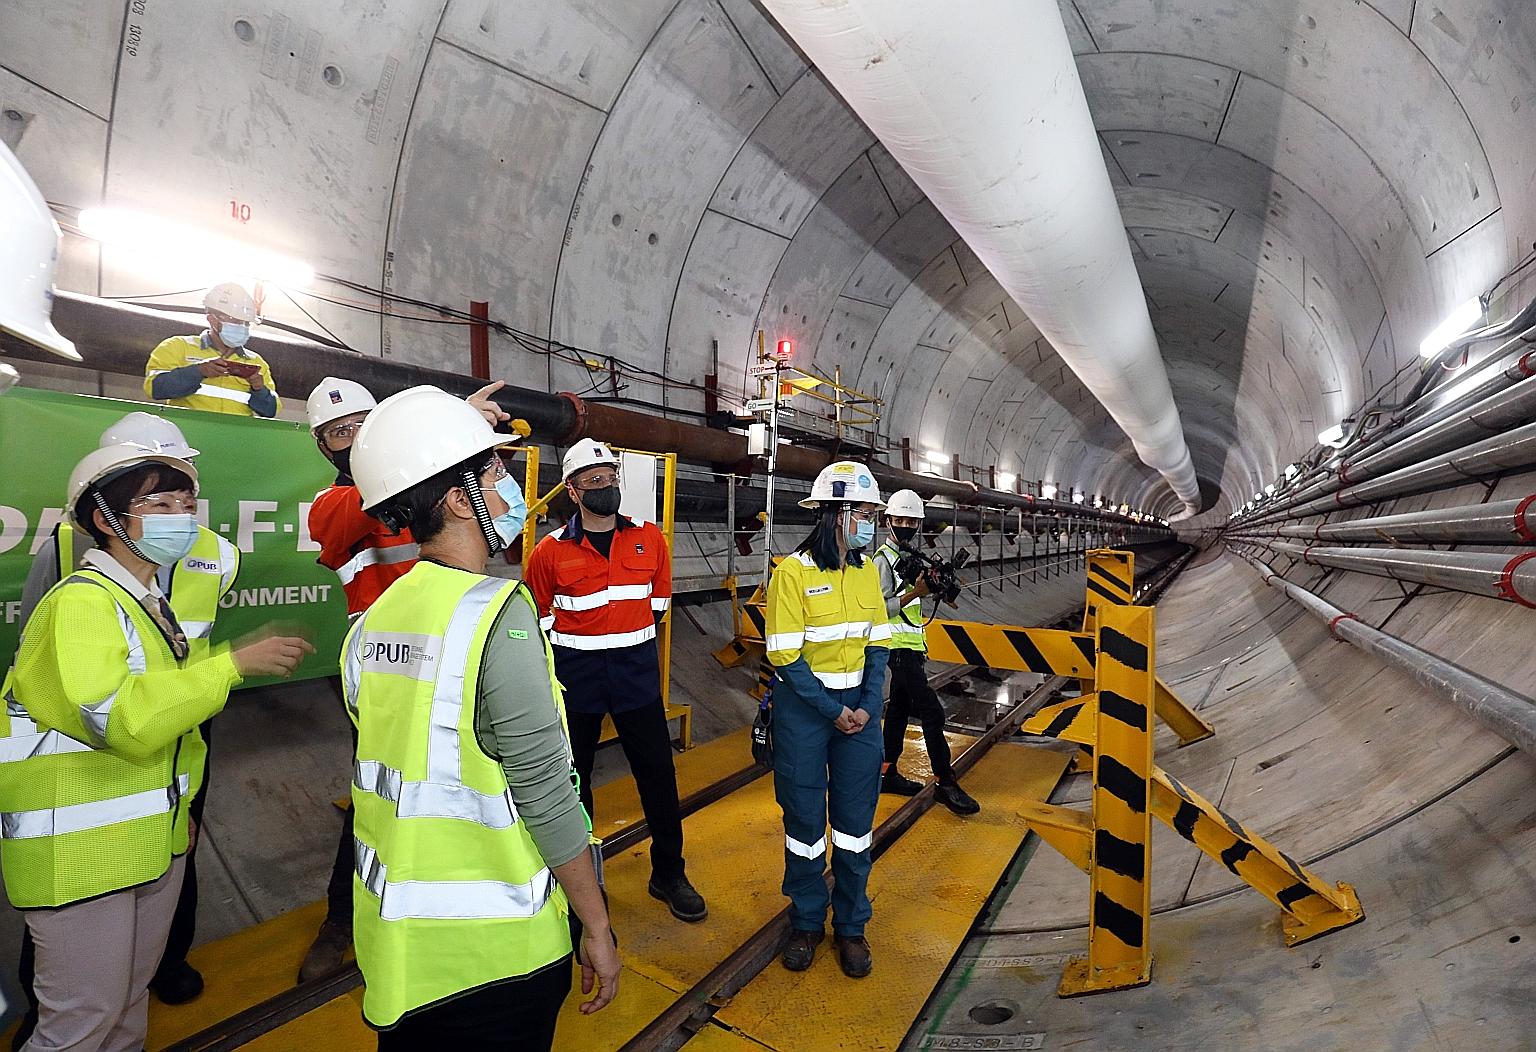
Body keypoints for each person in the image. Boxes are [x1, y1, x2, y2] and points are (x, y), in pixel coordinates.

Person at [0, 443, 310, 1052]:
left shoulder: (146, 604)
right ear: (103, 519)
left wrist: (176, 816)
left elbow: (174, 728)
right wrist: (230, 665)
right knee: (79, 1023)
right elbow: (118, 718)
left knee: (126, 1006)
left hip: (145, 845)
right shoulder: (82, 602)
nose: (180, 516)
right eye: (158, 502)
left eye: (187, 502)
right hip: (78, 857)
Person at [341, 385, 618, 1048]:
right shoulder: (496, 618)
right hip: (495, 957)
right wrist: (598, 925)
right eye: (493, 470)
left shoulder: (373, 620)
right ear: (460, 501)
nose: (509, 484)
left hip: (397, 947)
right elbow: (548, 798)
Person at [297, 375, 511, 982]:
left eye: (363, 427)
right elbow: (353, 516)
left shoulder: (436, 487)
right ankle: (345, 918)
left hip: (460, 645)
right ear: (324, 448)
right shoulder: (335, 505)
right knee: (381, 789)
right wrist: (439, 434)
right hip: (390, 669)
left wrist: (456, 441)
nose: (354, 440)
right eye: (339, 434)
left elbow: (500, 522)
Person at [524, 439, 706, 923]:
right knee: (572, 785)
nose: (606, 485)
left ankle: (669, 873)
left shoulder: (650, 540)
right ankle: (582, 886)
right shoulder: (549, 552)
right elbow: (538, 617)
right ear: (572, 490)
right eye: (594, 479)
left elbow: (659, 606)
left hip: (635, 678)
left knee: (659, 780)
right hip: (575, 683)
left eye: (610, 476)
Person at [764, 461, 891, 978]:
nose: (871, 524)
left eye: (873, 515)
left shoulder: (866, 571)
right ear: (836, 516)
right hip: (806, 713)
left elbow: (879, 644)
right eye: (863, 514)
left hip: (858, 712)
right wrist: (834, 710)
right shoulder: (792, 574)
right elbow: (785, 656)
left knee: (856, 826)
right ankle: (807, 921)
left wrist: (868, 704)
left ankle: (852, 927)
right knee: (804, 825)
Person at [872, 490, 980, 815]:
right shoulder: (882, 560)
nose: (904, 526)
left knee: (898, 712)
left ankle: (886, 773)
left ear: (918, 523)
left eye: (911, 521)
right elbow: (879, 609)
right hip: (896, 648)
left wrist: (937, 588)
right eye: (899, 520)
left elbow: (919, 598)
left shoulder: (912, 556)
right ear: (888, 521)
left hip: (911, 647)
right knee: (933, 713)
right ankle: (945, 782)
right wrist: (914, 592)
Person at [142, 283, 279, 418]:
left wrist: (259, 389)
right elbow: (155, 388)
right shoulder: (177, 347)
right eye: (236, 321)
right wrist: (198, 371)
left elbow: (271, 411)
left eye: (246, 323)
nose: (242, 327)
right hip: (187, 435)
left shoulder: (256, 362)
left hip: (236, 438)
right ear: (212, 320)